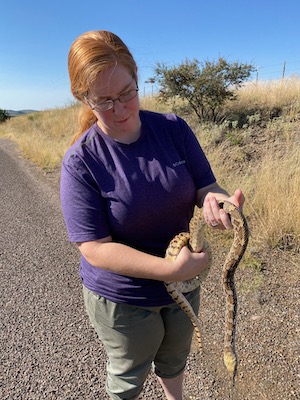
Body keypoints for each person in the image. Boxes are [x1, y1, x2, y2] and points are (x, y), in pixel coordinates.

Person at [60, 30, 245, 400]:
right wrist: (169, 271)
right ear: (83, 98)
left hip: (184, 284)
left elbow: (206, 188)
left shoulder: (173, 129)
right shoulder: (81, 161)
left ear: (137, 78)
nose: (121, 109)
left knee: (175, 359)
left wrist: (221, 204)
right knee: (129, 376)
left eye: (128, 93)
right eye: (105, 100)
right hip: (123, 299)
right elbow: (94, 248)